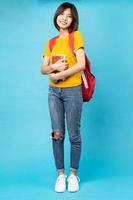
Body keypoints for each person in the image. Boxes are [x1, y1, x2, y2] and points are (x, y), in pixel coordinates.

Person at [41, 2, 85, 193]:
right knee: (57, 134)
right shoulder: (50, 42)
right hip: (53, 93)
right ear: (56, 17)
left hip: (73, 91)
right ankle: (61, 175)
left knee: (74, 135)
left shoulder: (76, 37)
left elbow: (81, 64)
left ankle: (73, 175)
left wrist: (59, 75)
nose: (64, 17)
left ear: (73, 19)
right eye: (61, 14)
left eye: (69, 15)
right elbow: (43, 69)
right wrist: (54, 69)